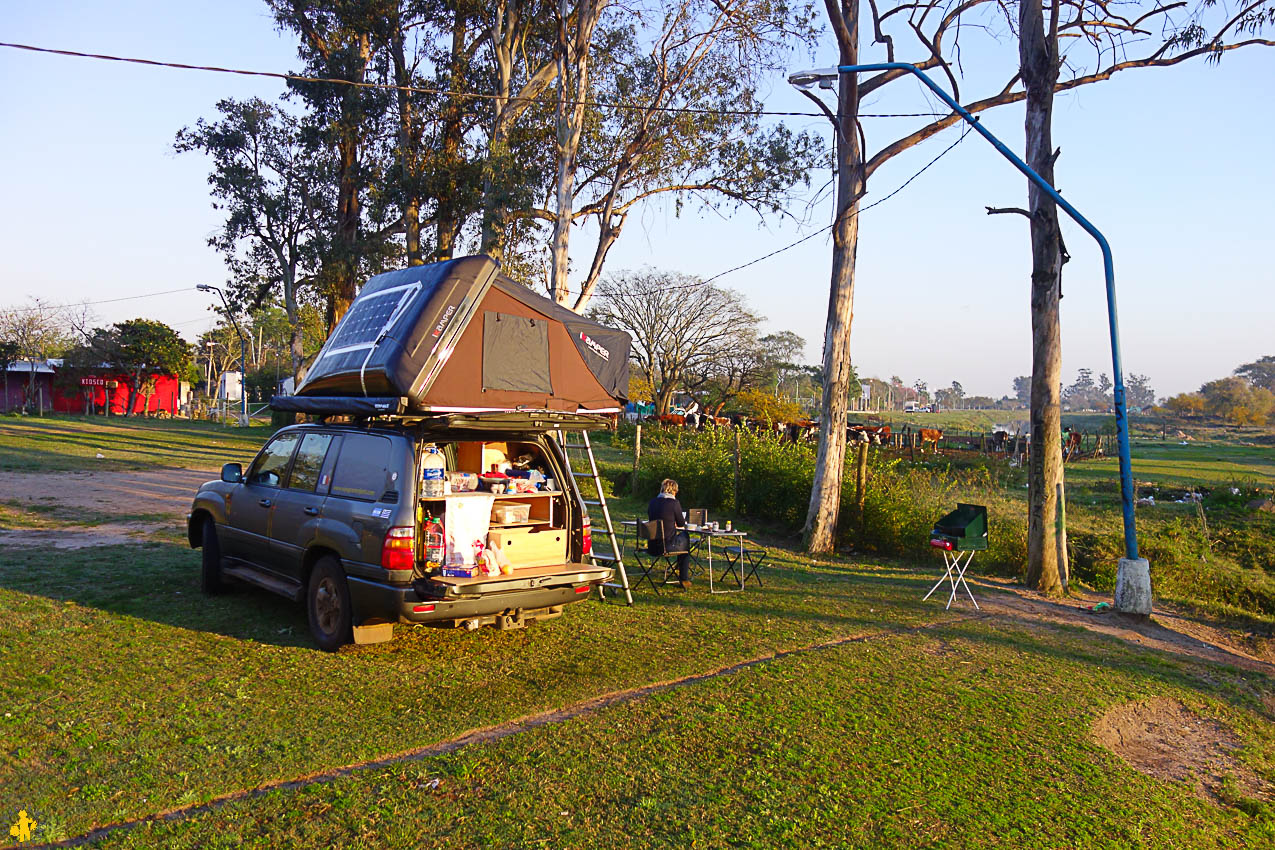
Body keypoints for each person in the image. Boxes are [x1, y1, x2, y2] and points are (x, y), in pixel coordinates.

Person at [647, 477, 692, 589]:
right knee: (685, 539)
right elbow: (681, 523)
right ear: (674, 491)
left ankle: (678, 569)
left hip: (652, 546)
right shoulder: (674, 503)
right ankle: (684, 578)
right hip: (666, 546)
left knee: (681, 542)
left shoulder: (652, 502)